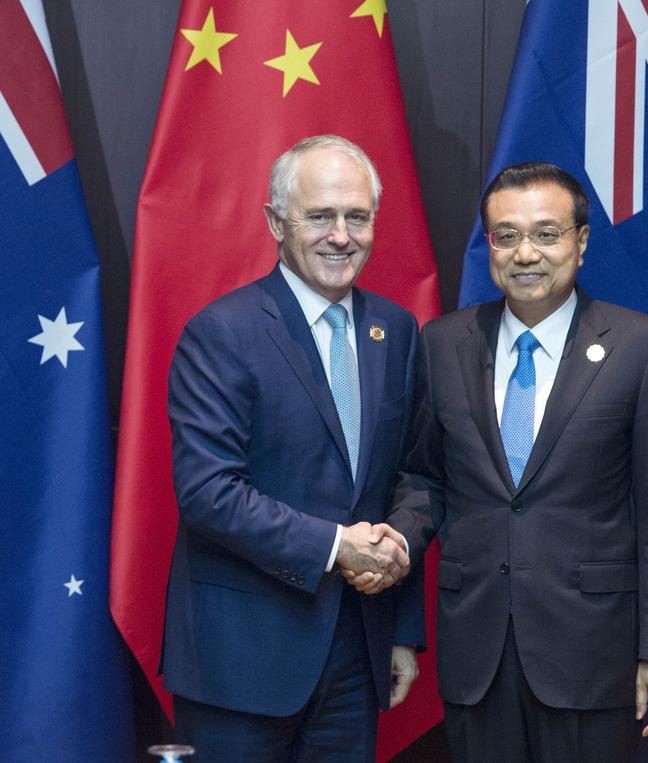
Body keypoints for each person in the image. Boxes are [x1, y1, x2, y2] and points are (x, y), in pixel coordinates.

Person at [352, 162, 648, 761]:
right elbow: (425, 476)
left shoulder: (640, 347)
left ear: (580, 242)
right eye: (506, 235)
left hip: (592, 651)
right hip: (476, 646)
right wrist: (397, 544)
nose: (525, 253)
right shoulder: (443, 343)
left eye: (546, 233)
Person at [161, 134, 421, 762]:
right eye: (320, 216)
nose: (341, 236)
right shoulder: (222, 332)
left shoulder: (396, 330)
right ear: (276, 222)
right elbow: (208, 492)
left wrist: (401, 629)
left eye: (357, 216)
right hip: (240, 663)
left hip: (357, 654)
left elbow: (411, 475)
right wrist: (337, 546)